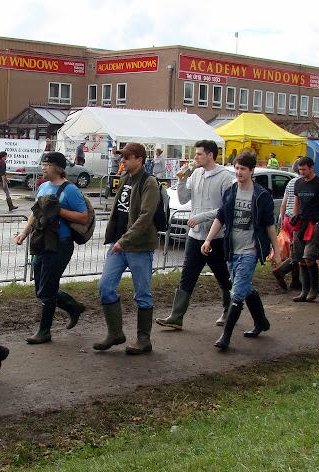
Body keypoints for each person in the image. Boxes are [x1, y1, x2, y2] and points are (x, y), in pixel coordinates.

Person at [201, 151, 281, 350]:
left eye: (243, 169)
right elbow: (221, 217)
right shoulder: (232, 191)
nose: (238, 172)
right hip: (232, 250)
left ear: (251, 171)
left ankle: (225, 337)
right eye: (236, 168)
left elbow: (270, 225)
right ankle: (261, 322)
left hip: (250, 250)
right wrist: (209, 239)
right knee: (243, 287)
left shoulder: (261, 195)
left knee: (236, 292)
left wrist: (277, 252)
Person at [156, 139, 234, 330]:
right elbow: (183, 200)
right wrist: (182, 179)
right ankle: (176, 316)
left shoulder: (224, 177)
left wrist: (201, 216)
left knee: (223, 275)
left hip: (216, 237)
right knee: (187, 275)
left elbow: (227, 210)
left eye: (199, 154)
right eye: (195, 154)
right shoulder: (196, 174)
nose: (195, 157)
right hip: (195, 237)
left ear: (210, 155)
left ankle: (229, 310)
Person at [15, 152, 88, 344]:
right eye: (43, 164)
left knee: (47, 290)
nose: (43, 167)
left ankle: (44, 331)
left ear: (57, 167)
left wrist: (58, 210)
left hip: (60, 245)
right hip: (41, 242)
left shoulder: (70, 190)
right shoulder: (43, 187)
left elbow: (83, 217)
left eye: (46, 164)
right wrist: (24, 233)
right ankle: (73, 306)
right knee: (41, 288)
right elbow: (35, 213)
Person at [94, 142, 160, 355]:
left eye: (126, 157)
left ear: (139, 159)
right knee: (105, 286)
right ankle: (115, 333)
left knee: (142, 294)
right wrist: (115, 238)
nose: (122, 160)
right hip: (118, 245)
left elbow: (145, 217)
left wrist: (126, 240)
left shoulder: (149, 183)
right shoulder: (124, 178)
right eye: (122, 157)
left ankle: (144, 340)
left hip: (138, 247)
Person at [290, 156, 319, 302]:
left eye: (304, 169)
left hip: (315, 224)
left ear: (312, 168)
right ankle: (304, 290)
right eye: (300, 169)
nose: (301, 172)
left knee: (310, 258)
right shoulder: (298, 183)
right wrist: (295, 219)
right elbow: (297, 202)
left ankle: (314, 288)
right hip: (301, 223)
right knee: (301, 258)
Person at [271, 172, 302, 291]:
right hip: (296, 218)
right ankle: (281, 271)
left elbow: (283, 203)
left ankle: (295, 280)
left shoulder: (290, 182)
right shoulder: (303, 182)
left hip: (288, 218)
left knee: (294, 249)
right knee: (298, 250)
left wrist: (283, 220)